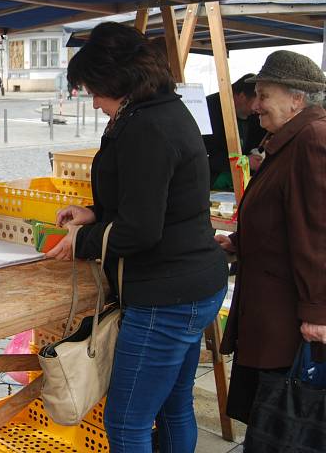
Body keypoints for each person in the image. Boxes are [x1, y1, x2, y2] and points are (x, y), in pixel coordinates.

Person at [47, 22, 228, 453]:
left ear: (117, 81)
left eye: (93, 89)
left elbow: (141, 229)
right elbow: (151, 200)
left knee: (127, 422)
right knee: (173, 407)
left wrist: (82, 239)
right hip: (194, 285)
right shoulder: (163, 108)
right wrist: (95, 212)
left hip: (166, 295)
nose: (93, 101)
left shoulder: (146, 126)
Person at [214, 50, 326, 428]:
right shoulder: (289, 138)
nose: (256, 105)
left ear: (297, 99)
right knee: (267, 420)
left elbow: (318, 232)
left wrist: (316, 312)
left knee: (281, 426)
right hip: (270, 312)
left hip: (288, 319)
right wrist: (240, 242)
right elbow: (282, 216)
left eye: (264, 95)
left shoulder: (312, 139)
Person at [203, 73, 266, 189]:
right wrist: (244, 162)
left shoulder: (255, 117)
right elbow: (207, 155)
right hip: (213, 182)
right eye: (254, 102)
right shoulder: (208, 110)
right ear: (242, 96)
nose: (257, 108)